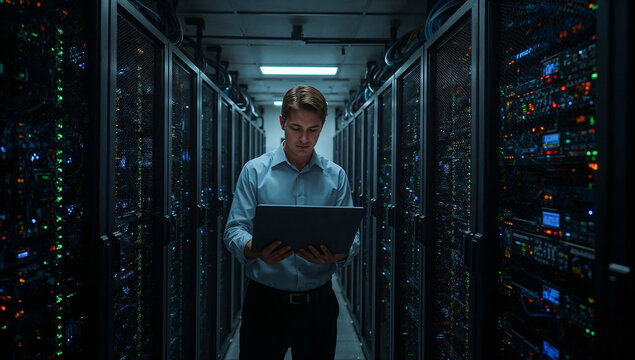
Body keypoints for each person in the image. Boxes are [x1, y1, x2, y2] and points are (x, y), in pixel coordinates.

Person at [223, 85, 359, 360]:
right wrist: (254, 247)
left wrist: (337, 254)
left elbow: (352, 237)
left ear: (322, 126)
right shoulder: (254, 171)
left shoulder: (336, 176)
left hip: (318, 305)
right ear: (282, 122)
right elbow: (234, 230)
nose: (304, 139)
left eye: (313, 129)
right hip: (265, 304)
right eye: (296, 128)